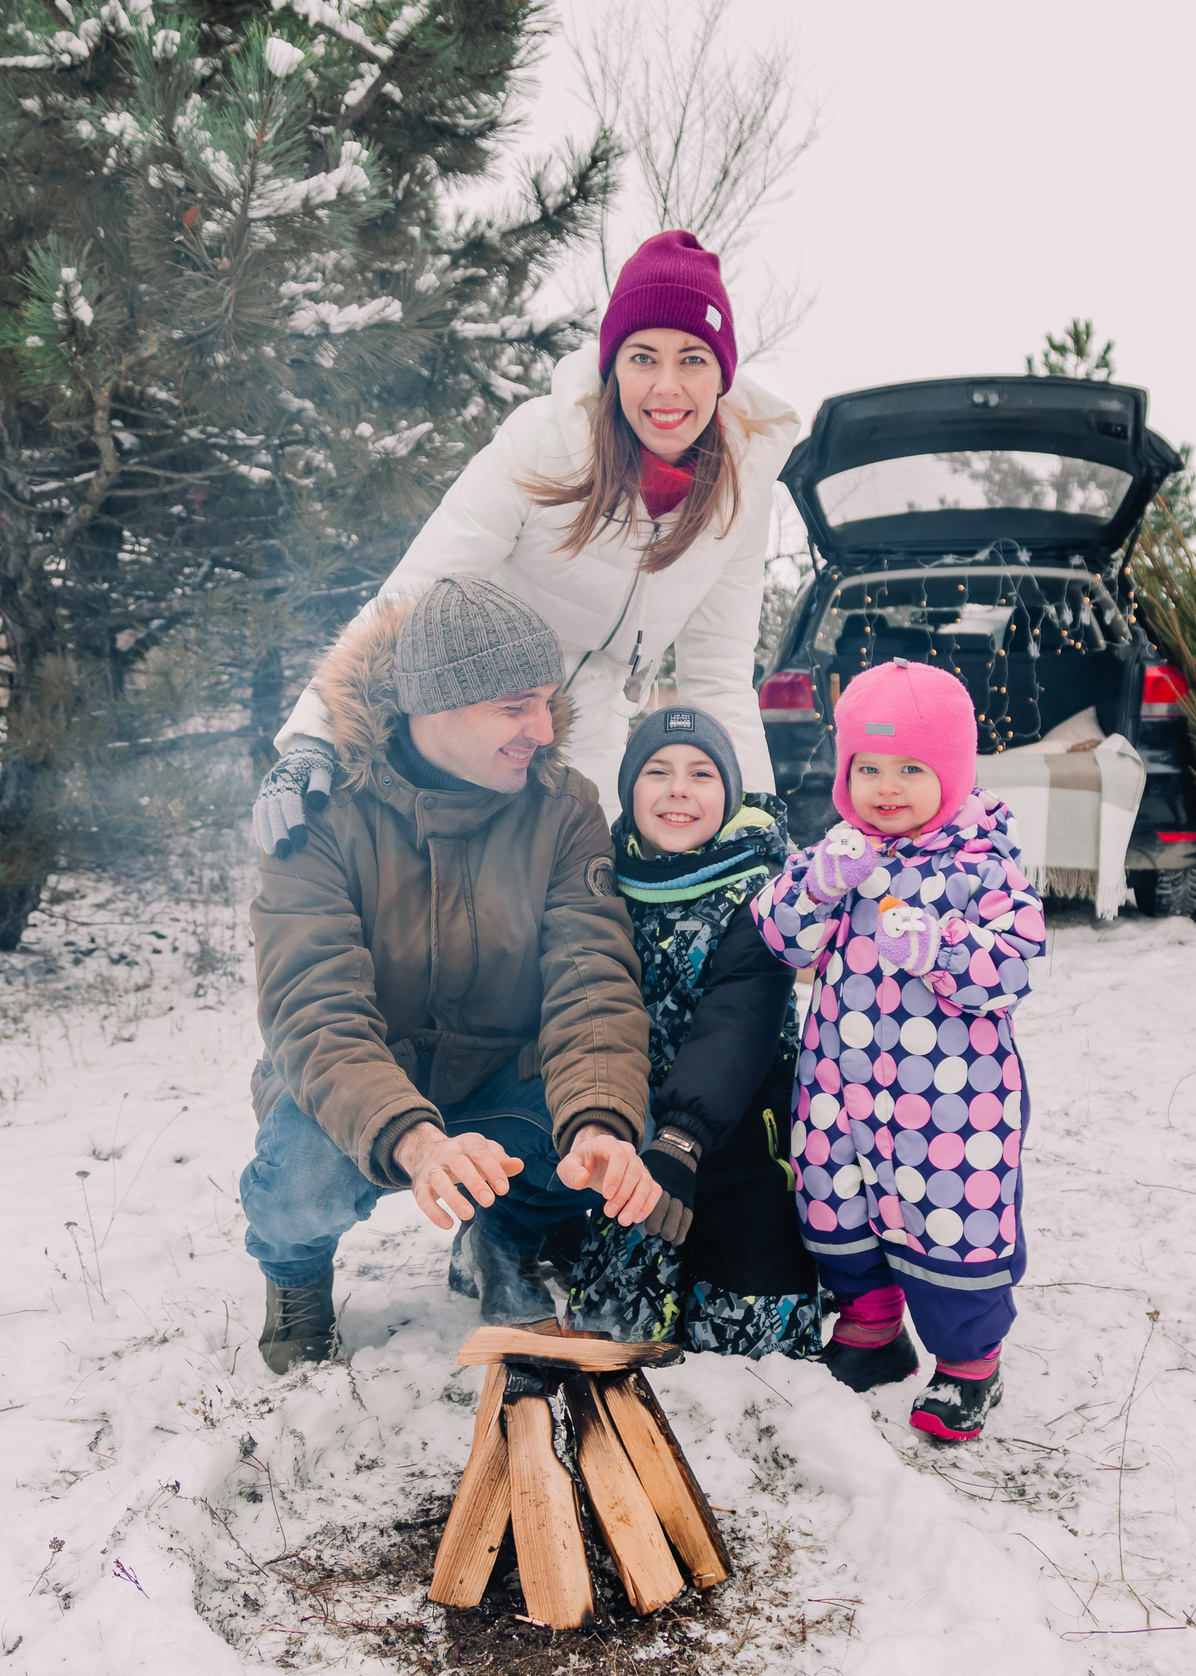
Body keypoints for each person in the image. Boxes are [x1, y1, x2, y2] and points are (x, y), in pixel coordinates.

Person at [240, 577, 674, 1374]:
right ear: (431, 707)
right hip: (359, 1078)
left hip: (500, 1077)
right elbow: (315, 1010)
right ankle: (296, 1279)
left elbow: (590, 984)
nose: (543, 730)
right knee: (300, 1179)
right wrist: (414, 1139)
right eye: (515, 708)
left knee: (611, 1124)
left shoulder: (563, 808)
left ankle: (506, 1231)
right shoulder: (320, 812)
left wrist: (599, 1126)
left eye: (546, 701)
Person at [253, 229, 802, 854]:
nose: (667, 386)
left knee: (584, 894)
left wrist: (759, 823)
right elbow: (412, 596)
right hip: (476, 720)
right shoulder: (544, 441)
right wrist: (315, 736)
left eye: (693, 359)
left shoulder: (740, 489)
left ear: (723, 374)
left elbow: (719, 678)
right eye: (643, 357)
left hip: (591, 733)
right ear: (613, 367)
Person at [749, 659, 1048, 1441]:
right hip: (839, 1088)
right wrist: (817, 886)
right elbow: (779, 936)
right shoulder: (843, 852)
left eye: (912, 768)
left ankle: (968, 1363)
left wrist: (944, 948)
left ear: (953, 770)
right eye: (868, 767)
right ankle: (873, 1327)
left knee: (950, 1221)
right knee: (833, 1202)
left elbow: (1016, 963)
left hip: (949, 1102)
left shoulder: (982, 861)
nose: (887, 787)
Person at [561, 706, 822, 1359]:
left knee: (748, 1326)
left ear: (729, 793)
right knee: (615, 1320)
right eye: (658, 771)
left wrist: (683, 1138)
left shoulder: (763, 889)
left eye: (702, 774)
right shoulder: (600, 879)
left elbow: (741, 1013)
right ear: (629, 789)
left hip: (736, 1122)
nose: (679, 790)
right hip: (632, 1120)